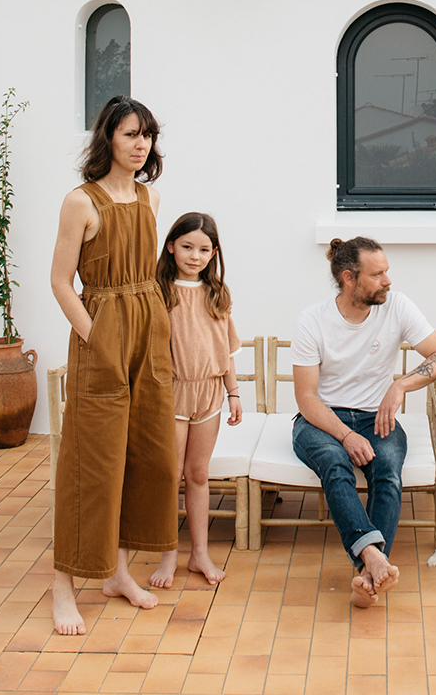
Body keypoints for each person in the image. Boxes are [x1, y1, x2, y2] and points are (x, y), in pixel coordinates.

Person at [48, 97, 178, 635]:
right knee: (92, 463)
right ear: (108, 139)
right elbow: (60, 281)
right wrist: (96, 336)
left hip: (148, 332)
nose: (140, 143)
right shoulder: (80, 201)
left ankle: (118, 572)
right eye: (130, 134)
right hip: (103, 337)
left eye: (146, 134)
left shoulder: (146, 195)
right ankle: (63, 587)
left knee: (149, 456)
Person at [292, 237, 436, 608]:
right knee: (335, 464)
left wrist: (401, 385)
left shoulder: (397, 307)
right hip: (321, 420)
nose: (388, 281)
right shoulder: (312, 320)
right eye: (377, 274)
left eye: (387, 271)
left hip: (374, 418)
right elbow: (306, 399)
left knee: (388, 472)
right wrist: (346, 435)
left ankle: (369, 571)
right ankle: (373, 561)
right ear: (350, 278)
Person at [149, 212, 242, 589]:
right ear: (171, 246)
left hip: (210, 393)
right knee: (170, 476)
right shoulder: (160, 291)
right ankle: (167, 554)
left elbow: (226, 351)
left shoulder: (217, 294)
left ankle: (199, 553)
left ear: (213, 253)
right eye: (187, 247)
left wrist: (233, 393)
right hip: (171, 391)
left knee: (198, 474)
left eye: (204, 249)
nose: (195, 256)